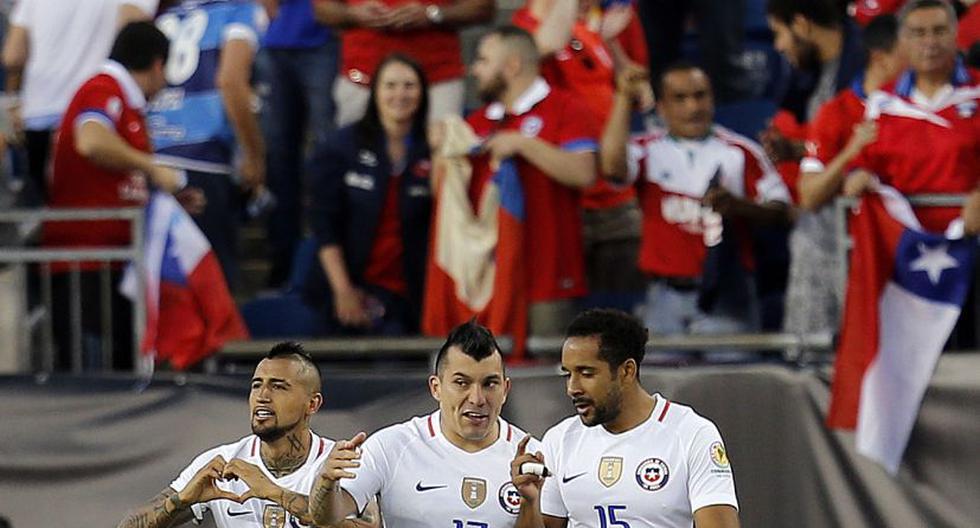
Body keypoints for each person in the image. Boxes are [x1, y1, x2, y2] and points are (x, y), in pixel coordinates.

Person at [601, 62, 791, 346]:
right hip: (664, 297)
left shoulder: (740, 152)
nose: (693, 107)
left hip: (728, 294)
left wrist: (738, 207)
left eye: (700, 95)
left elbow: (784, 213)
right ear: (662, 106)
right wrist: (623, 99)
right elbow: (612, 166)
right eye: (680, 98)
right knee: (661, 387)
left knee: (730, 384)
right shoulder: (647, 149)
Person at [509, 308, 740, 528]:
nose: (572, 388)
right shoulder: (560, 440)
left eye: (586, 373)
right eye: (568, 374)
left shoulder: (692, 434)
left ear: (627, 371)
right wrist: (529, 502)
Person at [42, 21, 184, 371]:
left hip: (115, 265)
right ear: (157, 64)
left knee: (119, 368)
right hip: (87, 263)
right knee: (92, 377)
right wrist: (151, 167)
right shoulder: (102, 89)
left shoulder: (126, 103)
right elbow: (91, 140)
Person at [309, 320, 537, 527]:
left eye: (489, 384)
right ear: (436, 388)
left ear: (505, 390)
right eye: (461, 383)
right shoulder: (392, 446)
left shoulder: (535, 457)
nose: (477, 398)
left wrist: (529, 502)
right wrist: (326, 482)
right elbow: (326, 517)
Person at [848, 0, 980, 347]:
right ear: (903, 41)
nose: (930, 41)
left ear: (956, 35)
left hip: (973, 253)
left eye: (939, 31)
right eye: (918, 33)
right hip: (906, 261)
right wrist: (858, 175)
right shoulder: (882, 104)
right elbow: (864, 167)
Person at [116, 342, 357, 527]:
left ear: (312, 404)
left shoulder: (337, 464)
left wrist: (274, 492)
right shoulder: (221, 463)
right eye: (256, 385)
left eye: (278, 386)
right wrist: (182, 499)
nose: (262, 395)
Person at [465, 25, 597, 336]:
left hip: (549, 275)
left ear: (511, 65)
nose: (474, 69)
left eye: (483, 60)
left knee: (550, 376)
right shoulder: (477, 122)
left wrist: (524, 144)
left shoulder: (566, 108)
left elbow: (584, 172)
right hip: (489, 278)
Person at [513, 0, 648, 298]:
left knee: (626, 322)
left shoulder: (589, 31)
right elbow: (545, 44)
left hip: (617, 199)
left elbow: (643, 95)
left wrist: (610, 40)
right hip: (567, 203)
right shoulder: (520, 31)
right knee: (569, 324)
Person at [784, 14, 903, 337]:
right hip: (830, 265)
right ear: (882, 58)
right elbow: (808, 195)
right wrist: (851, 152)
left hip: (897, 266)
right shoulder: (836, 112)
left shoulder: (919, 112)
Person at [306, 53, 432, 335]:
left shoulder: (434, 149)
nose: (400, 94)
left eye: (409, 85)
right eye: (390, 85)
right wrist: (343, 291)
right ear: (375, 92)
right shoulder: (340, 147)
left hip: (410, 298)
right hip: (344, 293)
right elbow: (324, 225)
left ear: (423, 92)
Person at [148, 0, 268, 289]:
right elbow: (230, 81)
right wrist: (254, 154)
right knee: (214, 286)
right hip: (205, 158)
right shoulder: (239, 11)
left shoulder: (164, 16)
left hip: (156, 158)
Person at [1, 0, 157, 201]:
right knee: (89, 211)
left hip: (38, 116)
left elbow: (13, 55)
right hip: (93, 109)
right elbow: (133, 28)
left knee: (45, 215)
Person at [256, 0, 340, 288]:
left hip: (323, 38)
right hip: (277, 41)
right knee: (278, 158)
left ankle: (324, 263)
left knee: (325, 154)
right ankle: (283, 262)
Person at [314, 0, 494, 126]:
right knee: (354, 162)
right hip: (362, 76)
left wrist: (432, 13)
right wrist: (352, 14)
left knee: (443, 161)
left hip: (437, 77)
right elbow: (321, 10)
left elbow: (483, 8)